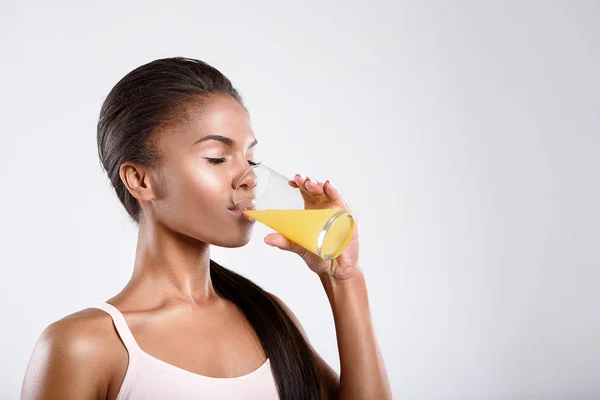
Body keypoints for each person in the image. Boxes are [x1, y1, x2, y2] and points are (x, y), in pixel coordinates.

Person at [20, 57, 391, 400]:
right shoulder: (83, 346)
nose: (249, 178)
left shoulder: (267, 318)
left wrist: (344, 280)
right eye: (216, 158)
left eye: (251, 158)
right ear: (140, 180)